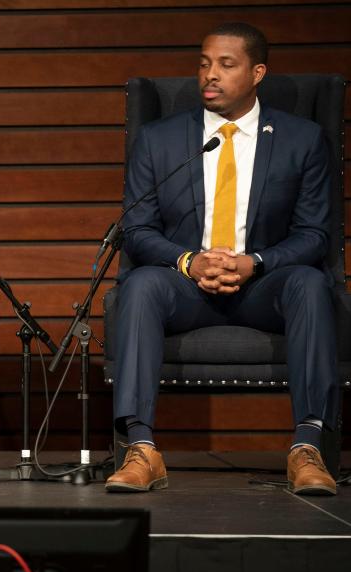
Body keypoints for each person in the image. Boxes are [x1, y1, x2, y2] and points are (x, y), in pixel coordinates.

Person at [107, 22, 338, 495]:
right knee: (141, 284)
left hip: (262, 285)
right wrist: (189, 261)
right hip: (186, 286)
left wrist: (257, 261)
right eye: (204, 63)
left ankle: (308, 447)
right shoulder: (160, 139)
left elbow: (315, 234)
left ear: (257, 73)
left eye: (226, 65)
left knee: (311, 284)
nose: (210, 75)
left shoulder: (303, 139)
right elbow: (138, 229)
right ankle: (141, 449)